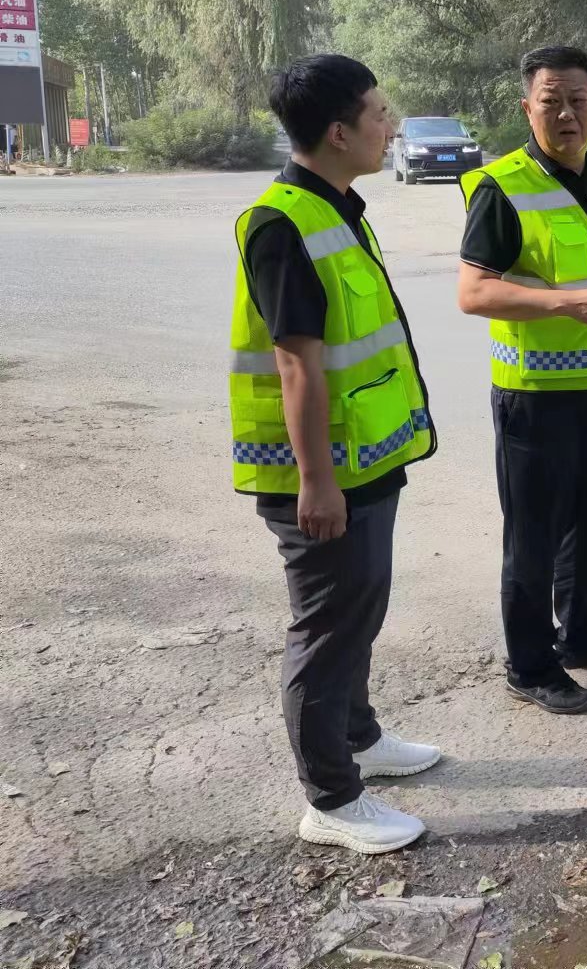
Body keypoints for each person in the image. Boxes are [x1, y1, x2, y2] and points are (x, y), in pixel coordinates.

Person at [231, 54, 441, 854]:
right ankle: (331, 797)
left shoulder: (341, 205)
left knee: (361, 607)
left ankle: (359, 734)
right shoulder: (283, 223)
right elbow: (296, 363)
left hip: (367, 458)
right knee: (326, 628)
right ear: (338, 130)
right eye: (380, 113)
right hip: (318, 476)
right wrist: (316, 481)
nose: (391, 126)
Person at [457, 45, 587, 716]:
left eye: (578, 100)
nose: (566, 114)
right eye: (551, 101)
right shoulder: (502, 186)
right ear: (527, 109)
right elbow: (474, 292)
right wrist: (561, 302)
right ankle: (530, 663)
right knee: (534, 533)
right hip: (535, 398)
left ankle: (582, 632)